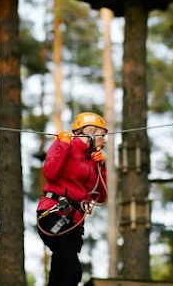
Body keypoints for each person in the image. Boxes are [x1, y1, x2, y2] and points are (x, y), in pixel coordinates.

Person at [36, 111, 108, 286]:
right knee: (73, 273)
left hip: (74, 222)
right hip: (53, 214)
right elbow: (50, 173)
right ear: (89, 131)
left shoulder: (92, 160)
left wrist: (101, 166)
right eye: (102, 135)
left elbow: (101, 196)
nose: (105, 140)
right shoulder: (63, 144)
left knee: (60, 273)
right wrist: (64, 145)